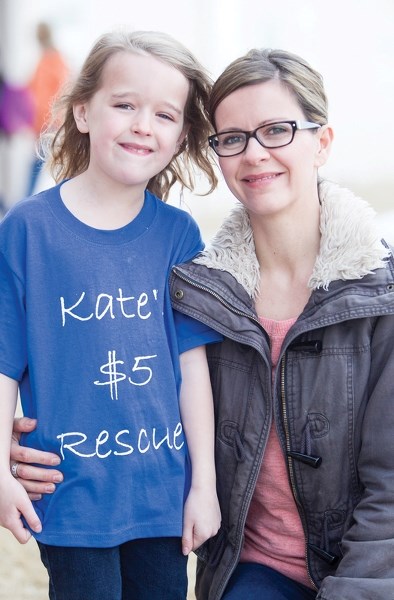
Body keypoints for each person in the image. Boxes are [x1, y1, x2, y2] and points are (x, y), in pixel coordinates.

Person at [11, 47, 394, 599]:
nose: (255, 153)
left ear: (323, 142)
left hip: (362, 572)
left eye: (277, 130)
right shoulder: (206, 287)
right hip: (252, 566)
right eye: (233, 138)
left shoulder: (377, 296)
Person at [0, 30, 221, 600]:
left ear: (180, 136)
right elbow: (4, 364)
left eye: (165, 114)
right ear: (82, 112)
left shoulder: (179, 235)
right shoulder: (27, 231)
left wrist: (204, 484)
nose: (143, 124)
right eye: (124, 105)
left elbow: (191, 368)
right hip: (71, 497)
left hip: (161, 498)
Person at [26, 21, 69, 195]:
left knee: (42, 163)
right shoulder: (44, 59)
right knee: (38, 164)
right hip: (40, 122)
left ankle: (26, 199)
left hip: (50, 122)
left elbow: (60, 92)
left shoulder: (55, 61)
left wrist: (53, 120)